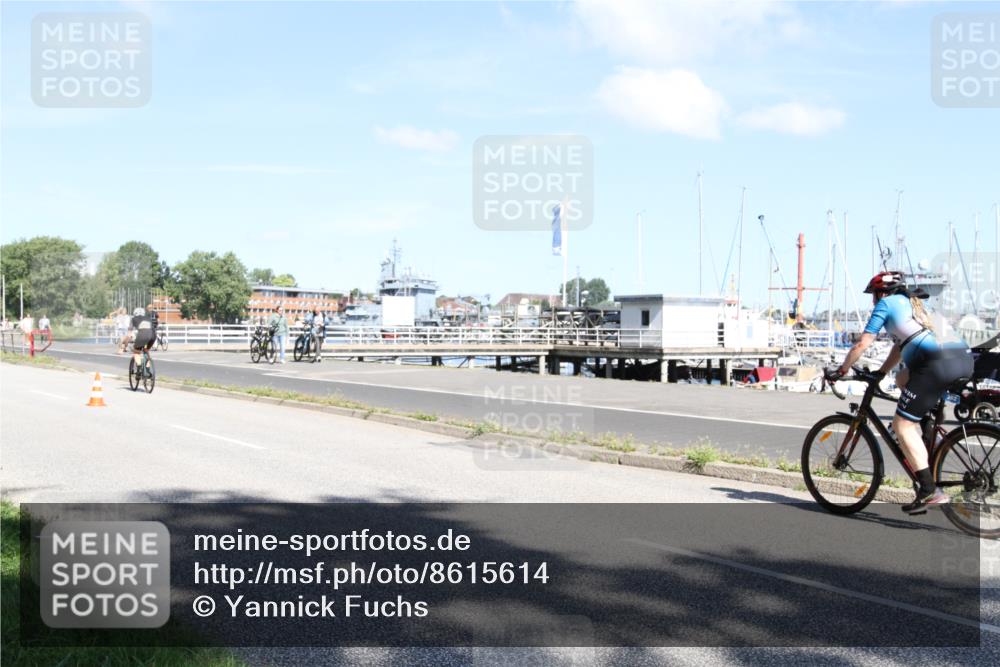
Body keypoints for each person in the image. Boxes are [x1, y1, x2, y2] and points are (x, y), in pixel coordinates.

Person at [826, 270, 973, 514]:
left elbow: (862, 344)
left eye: (873, 295)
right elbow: (900, 347)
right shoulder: (915, 305)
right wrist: (882, 373)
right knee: (902, 378)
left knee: (902, 425)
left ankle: (928, 490)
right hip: (964, 360)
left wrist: (842, 370)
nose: (873, 300)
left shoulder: (885, 304)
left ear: (881, 292)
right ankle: (927, 428)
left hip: (936, 365)